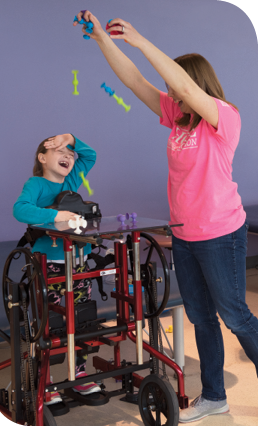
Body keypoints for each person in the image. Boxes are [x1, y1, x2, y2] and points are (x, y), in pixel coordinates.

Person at [73, 11, 258, 423]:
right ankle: (215, 395)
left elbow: (185, 87)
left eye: (179, 88)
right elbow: (135, 81)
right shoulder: (178, 117)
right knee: (200, 317)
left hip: (221, 233)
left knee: (234, 314)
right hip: (186, 235)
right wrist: (104, 39)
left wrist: (139, 40)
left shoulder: (223, 117)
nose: (172, 95)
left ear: (192, 83)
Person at [13, 133, 101, 404]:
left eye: (70, 153)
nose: (68, 156)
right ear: (42, 158)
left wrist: (70, 138)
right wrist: (55, 215)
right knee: (49, 323)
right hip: (48, 265)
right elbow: (20, 209)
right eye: (60, 151)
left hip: (77, 263)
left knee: (82, 318)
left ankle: (80, 375)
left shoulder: (72, 180)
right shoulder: (36, 185)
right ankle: (46, 380)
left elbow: (90, 155)